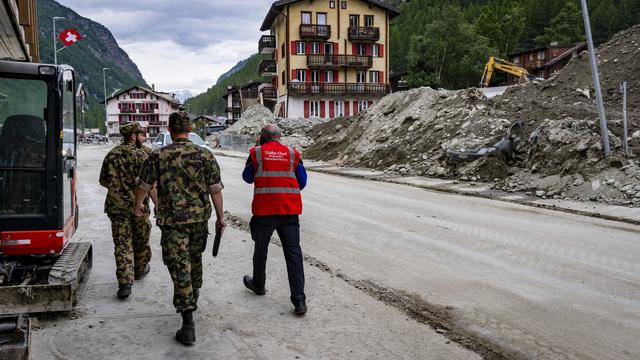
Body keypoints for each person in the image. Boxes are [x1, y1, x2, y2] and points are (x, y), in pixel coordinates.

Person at [134, 112, 225, 346]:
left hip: (173, 222)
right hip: (198, 221)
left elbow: (144, 186)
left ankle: (188, 325)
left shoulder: (158, 155)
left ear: (169, 129)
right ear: (190, 128)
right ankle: (193, 295)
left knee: (180, 267)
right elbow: (215, 189)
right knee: (194, 260)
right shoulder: (204, 154)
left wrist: (137, 207)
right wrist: (220, 217)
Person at [242, 124, 308, 315]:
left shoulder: (256, 153)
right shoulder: (293, 153)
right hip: (289, 211)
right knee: (293, 254)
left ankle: (259, 284)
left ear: (262, 138)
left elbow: (247, 178)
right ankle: (299, 301)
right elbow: (302, 182)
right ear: (280, 137)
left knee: (260, 248)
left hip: (264, 212)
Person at [99, 122, 156, 299]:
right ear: (133, 136)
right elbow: (152, 184)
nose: (144, 137)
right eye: (141, 134)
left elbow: (103, 180)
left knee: (122, 243)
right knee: (141, 238)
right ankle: (139, 270)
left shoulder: (112, 154)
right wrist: (157, 204)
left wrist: (118, 188)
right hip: (139, 207)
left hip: (116, 207)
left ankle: (125, 283)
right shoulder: (146, 154)